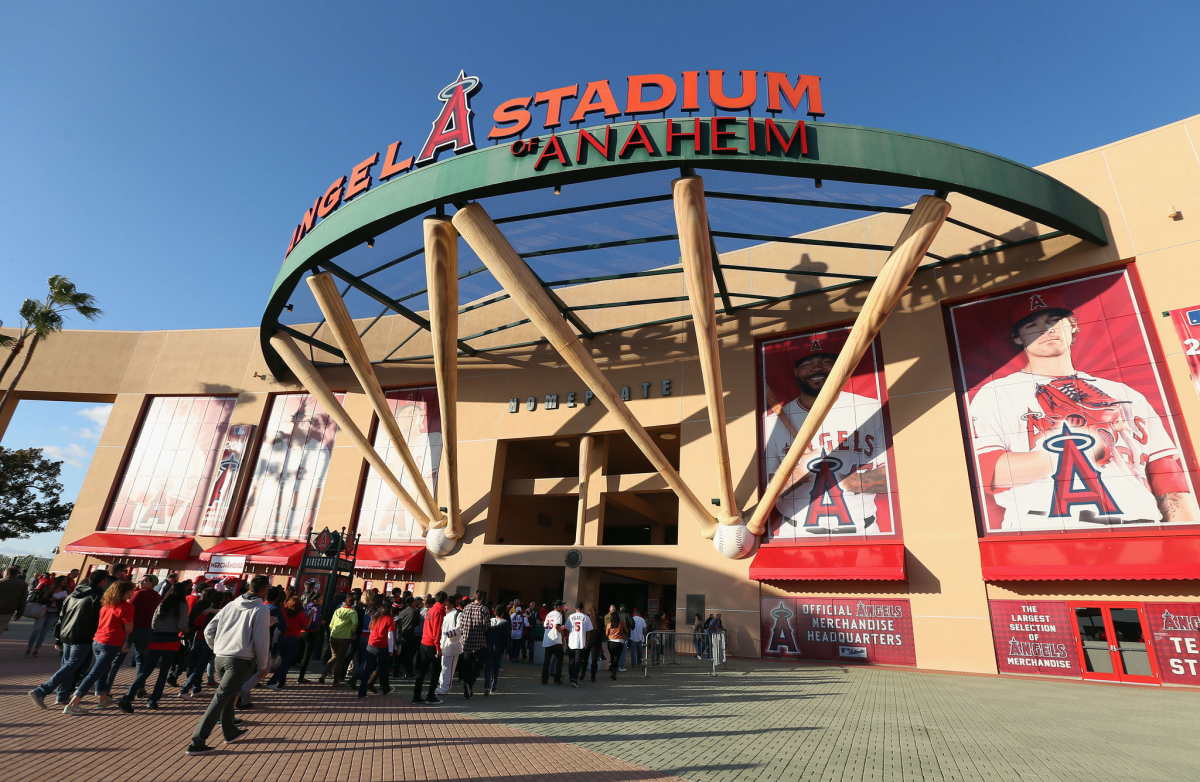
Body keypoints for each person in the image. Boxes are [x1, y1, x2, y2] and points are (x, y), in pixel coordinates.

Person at [968, 291, 1199, 530]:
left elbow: (1165, 472)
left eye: (1054, 321)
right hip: (1044, 528)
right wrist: (1087, 446)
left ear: (1073, 326)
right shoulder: (999, 393)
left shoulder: (1123, 394)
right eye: (1031, 324)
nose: (1046, 329)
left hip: (1140, 522)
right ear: (1018, 338)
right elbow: (990, 473)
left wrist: (1188, 532)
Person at [762, 331, 890, 537]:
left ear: (839, 367)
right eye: (807, 364)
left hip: (862, 532)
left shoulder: (871, 409)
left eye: (826, 361)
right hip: (795, 535)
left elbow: (891, 478)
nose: (817, 368)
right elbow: (765, 492)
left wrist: (844, 478)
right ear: (795, 371)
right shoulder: (772, 423)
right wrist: (796, 474)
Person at [185, 574, 271, 756]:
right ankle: (197, 740)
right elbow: (262, 640)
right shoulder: (261, 609)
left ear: (249, 587)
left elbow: (209, 630)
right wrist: (263, 665)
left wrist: (218, 648)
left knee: (228, 695)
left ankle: (230, 731)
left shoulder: (231, 605)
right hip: (239, 659)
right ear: (264, 590)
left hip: (221, 657)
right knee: (221, 697)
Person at [28, 569, 106, 709]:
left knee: (68, 666)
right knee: (72, 665)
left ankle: (62, 696)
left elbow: (62, 616)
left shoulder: (73, 594)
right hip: (83, 634)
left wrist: (58, 637)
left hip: (67, 633)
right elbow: (99, 619)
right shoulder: (98, 596)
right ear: (102, 581)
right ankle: (41, 691)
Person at [63, 579, 135, 713]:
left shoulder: (106, 605)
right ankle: (74, 702)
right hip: (111, 642)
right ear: (127, 592)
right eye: (132, 590)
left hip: (98, 640)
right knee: (95, 672)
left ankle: (103, 698)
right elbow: (129, 628)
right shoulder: (126, 606)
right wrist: (125, 640)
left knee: (101, 669)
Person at [119, 581, 189, 711]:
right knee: (163, 673)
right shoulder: (181, 605)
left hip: (156, 638)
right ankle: (153, 700)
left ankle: (128, 697)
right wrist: (186, 631)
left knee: (146, 670)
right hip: (171, 639)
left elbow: (153, 621)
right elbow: (182, 625)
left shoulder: (163, 603)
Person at [106, 574, 161, 696]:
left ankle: (107, 688)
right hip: (146, 630)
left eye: (145, 580)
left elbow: (129, 607)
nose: (141, 582)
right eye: (141, 580)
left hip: (132, 628)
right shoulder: (158, 596)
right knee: (141, 659)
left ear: (152, 583)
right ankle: (140, 687)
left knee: (117, 659)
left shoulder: (139, 594)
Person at [181, 590, 224, 697]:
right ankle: (185, 690)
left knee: (198, 666)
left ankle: (196, 689)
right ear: (222, 601)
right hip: (210, 642)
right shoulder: (222, 613)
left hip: (199, 640)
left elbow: (195, 624)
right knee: (199, 668)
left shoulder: (205, 612)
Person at [266, 595, 308, 689]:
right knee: (287, 661)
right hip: (293, 639)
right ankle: (272, 681)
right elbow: (306, 625)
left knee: (284, 659)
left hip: (283, 637)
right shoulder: (300, 614)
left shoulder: (284, 611)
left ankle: (282, 682)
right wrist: (311, 615)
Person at [412, 591, 446, 705]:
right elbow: (437, 630)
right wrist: (438, 647)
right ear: (445, 601)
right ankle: (430, 696)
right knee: (436, 670)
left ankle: (416, 696)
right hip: (432, 643)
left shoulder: (430, 610)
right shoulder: (439, 611)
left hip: (424, 642)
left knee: (422, 671)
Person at [357, 596, 394, 698]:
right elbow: (390, 636)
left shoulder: (375, 618)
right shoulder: (389, 620)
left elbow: (371, 631)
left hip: (371, 644)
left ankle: (362, 691)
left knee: (367, 668)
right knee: (384, 668)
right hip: (382, 646)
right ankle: (385, 688)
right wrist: (391, 649)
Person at [457, 589, 490, 699]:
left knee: (467, 664)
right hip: (478, 641)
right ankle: (469, 683)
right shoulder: (484, 609)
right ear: (482, 598)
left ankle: (467, 685)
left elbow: (461, 624)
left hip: (466, 640)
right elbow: (486, 626)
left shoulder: (466, 607)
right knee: (478, 665)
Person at [25, 575, 69, 657]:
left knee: (44, 632)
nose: (65, 581)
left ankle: (36, 650)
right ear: (59, 581)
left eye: (66, 580)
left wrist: (64, 600)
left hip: (54, 614)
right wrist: (50, 599)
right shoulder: (49, 589)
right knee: (36, 630)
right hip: (43, 612)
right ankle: (28, 649)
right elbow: (39, 599)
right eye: (63, 580)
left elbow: (67, 604)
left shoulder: (66, 591)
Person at [320, 593, 358, 685]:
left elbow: (331, 623)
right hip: (345, 637)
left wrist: (332, 631)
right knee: (340, 659)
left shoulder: (337, 611)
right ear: (352, 604)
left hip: (334, 635)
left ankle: (324, 674)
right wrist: (352, 631)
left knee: (334, 656)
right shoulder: (352, 612)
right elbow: (355, 623)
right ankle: (336, 680)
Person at [435, 596, 462, 696]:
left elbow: (459, 628)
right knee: (443, 666)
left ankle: (446, 687)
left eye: (446, 606)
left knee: (448, 668)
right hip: (443, 644)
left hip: (452, 644)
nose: (444, 608)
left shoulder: (458, 614)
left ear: (451, 605)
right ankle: (442, 684)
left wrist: (448, 634)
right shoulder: (445, 615)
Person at [296, 593, 324, 683]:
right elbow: (315, 622)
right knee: (306, 656)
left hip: (302, 632)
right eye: (321, 598)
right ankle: (301, 677)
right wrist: (321, 623)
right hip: (311, 632)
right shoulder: (316, 608)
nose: (322, 600)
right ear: (316, 600)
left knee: (299, 654)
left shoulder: (307, 606)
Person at [565, 601, 593, 688]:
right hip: (581, 642)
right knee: (578, 662)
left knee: (571, 661)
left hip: (572, 642)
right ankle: (574, 678)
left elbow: (566, 628)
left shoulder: (571, 617)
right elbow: (588, 632)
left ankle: (571, 677)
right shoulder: (586, 617)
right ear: (583, 608)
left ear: (575, 608)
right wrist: (587, 642)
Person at [483, 605, 509, 696]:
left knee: (488, 668)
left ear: (494, 612)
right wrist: (507, 651)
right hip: (499, 648)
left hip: (489, 647)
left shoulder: (489, 621)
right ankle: (493, 687)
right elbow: (506, 638)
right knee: (495, 669)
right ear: (502, 613)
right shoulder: (505, 623)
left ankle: (486, 686)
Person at [541, 600, 565, 685]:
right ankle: (557, 679)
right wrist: (561, 632)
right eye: (562, 606)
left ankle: (544, 679)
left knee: (546, 661)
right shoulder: (558, 614)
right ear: (558, 607)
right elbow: (556, 625)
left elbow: (544, 626)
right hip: (555, 640)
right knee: (559, 659)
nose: (563, 607)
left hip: (547, 640)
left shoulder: (548, 614)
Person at [395, 596, 419, 678]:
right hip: (409, 635)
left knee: (400, 654)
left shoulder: (402, 612)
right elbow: (417, 623)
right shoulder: (415, 612)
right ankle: (409, 672)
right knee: (409, 655)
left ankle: (397, 671)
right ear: (413, 603)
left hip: (401, 634)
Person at [0, 565, 27, 637]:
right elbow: (23, 600)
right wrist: (20, 612)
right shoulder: (22, 584)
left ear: (6, 573)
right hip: (7, 611)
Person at [605, 607, 629, 680]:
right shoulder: (621, 623)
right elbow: (626, 631)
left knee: (612, 657)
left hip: (611, 642)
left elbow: (606, 633)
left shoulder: (609, 624)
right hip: (619, 642)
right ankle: (614, 673)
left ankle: (612, 671)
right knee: (617, 658)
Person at [585, 606, 604, 682]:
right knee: (594, 660)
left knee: (585, 659)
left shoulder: (587, 619)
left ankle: (582, 673)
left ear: (589, 611)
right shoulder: (599, 620)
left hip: (587, 642)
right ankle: (593, 676)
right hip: (596, 643)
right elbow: (602, 632)